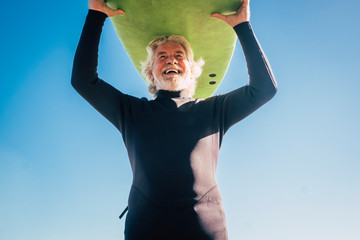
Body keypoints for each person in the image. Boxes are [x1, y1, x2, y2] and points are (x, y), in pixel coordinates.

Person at [71, 0, 277, 239]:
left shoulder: (214, 111)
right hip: (146, 230)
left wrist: (243, 26)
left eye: (179, 55)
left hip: (206, 231)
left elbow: (264, 89)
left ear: (191, 70)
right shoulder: (132, 112)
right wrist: (95, 15)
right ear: (150, 72)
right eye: (162, 56)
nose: (171, 60)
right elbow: (83, 81)